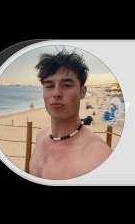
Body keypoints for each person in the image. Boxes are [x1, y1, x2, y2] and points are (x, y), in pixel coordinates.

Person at [27, 51, 112, 179]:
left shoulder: (97, 156)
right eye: (49, 86)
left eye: (67, 85)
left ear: (82, 91)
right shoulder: (41, 136)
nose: (56, 93)